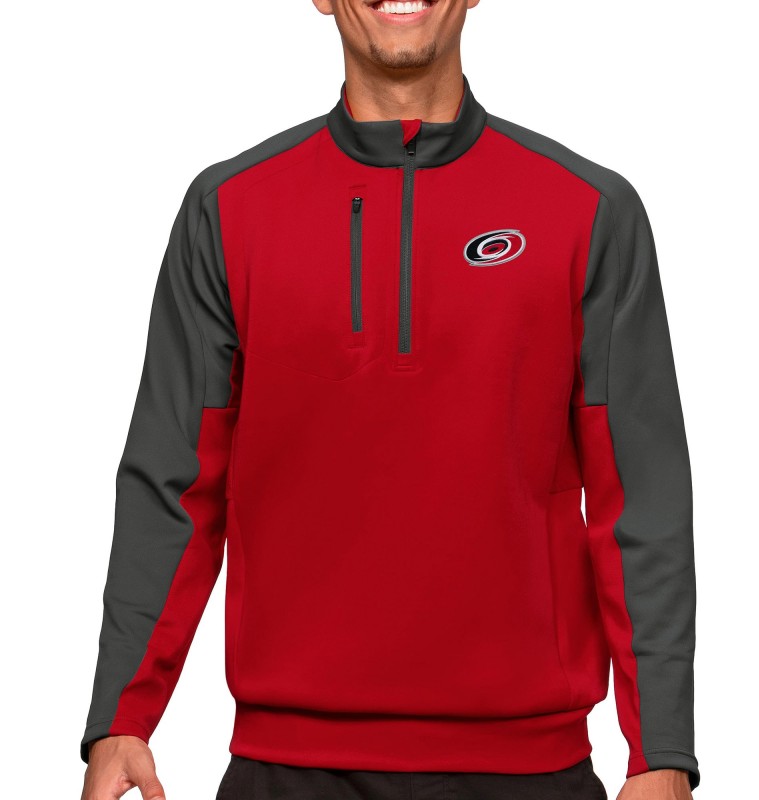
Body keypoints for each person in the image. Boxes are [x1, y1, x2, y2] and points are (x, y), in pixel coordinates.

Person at [79, 1, 700, 798]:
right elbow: (172, 483)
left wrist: (661, 751)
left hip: (528, 769)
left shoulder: (588, 210)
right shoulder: (228, 209)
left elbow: (640, 495)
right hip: (286, 770)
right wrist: (122, 716)